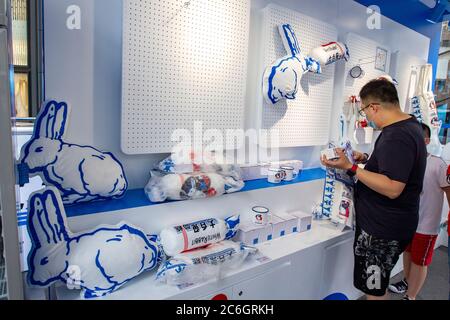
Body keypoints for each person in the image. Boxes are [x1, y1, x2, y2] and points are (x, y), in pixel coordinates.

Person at [321, 79, 427, 300]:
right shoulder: (410, 126)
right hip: (392, 225)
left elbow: (392, 188)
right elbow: (398, 166)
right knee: (377, 284)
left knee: (374, 288)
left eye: (364, 111)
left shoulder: (396, 135)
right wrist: (366, 159)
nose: (366, 118)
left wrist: (350, 167)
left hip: (382, 231)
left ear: (374, 107)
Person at [389, 123, 450, 300]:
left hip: (427, 225)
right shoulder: (405, 164)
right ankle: (408, 283)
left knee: (420, 261)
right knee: (407, 255)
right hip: (408, 222)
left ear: (426, 140)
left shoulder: (437, 164)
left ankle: (411, 296)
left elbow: (448, 192)